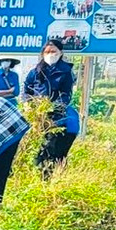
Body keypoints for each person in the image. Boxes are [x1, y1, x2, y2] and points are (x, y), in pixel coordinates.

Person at [23, 40, 79, 175]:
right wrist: (28, 104)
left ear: (60, 53)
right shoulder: (36, 71)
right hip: (36, 116)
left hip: (57, 117)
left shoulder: (66, 72)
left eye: (53, 51)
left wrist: (51, 108)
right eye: (47, 52)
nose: (50, 54)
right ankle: (37, 175)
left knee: (53, 150)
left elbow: (65, 95)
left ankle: (51, 178)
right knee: (37, 150)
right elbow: (27, 89)